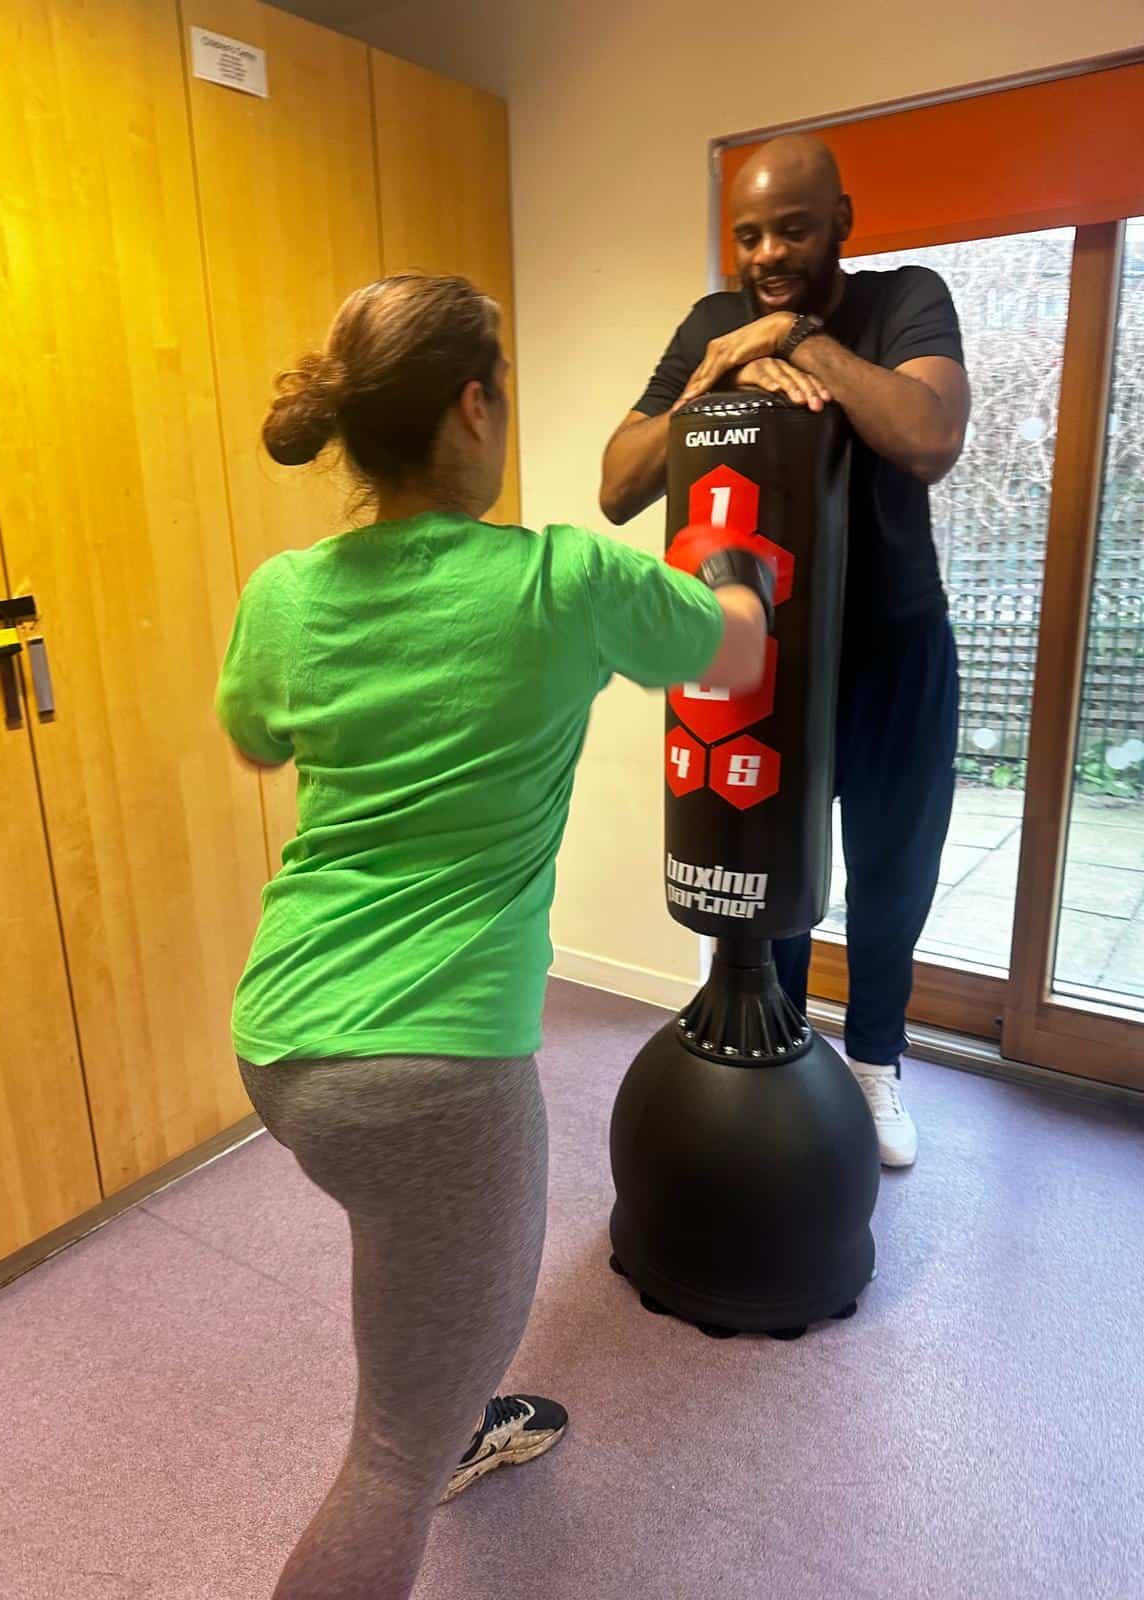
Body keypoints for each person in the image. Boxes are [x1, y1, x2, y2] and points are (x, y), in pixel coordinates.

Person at [215, 272, 774, 1600]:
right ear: (475, 406)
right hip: (437, 1077)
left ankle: (452, 1397)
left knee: (408, 1245)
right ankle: (433, 1429)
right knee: (385, 1465)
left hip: (281, 1042)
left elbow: (253, 734)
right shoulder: (561, 581)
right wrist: (729, 563)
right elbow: (739, 656)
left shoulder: (284, 592)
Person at [601, 134, 970, 1169]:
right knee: (772, 865)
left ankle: (876, 1061)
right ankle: (784, 1047)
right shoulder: (712, 324)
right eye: (748, 234)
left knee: (894, 871)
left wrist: (801, 341)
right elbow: (618, 480)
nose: (767, 251)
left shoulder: (905, 301)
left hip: (896, 646)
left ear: (842, 221)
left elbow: (928, 432)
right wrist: (720, 366)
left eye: (793, 229)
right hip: (769, 648)